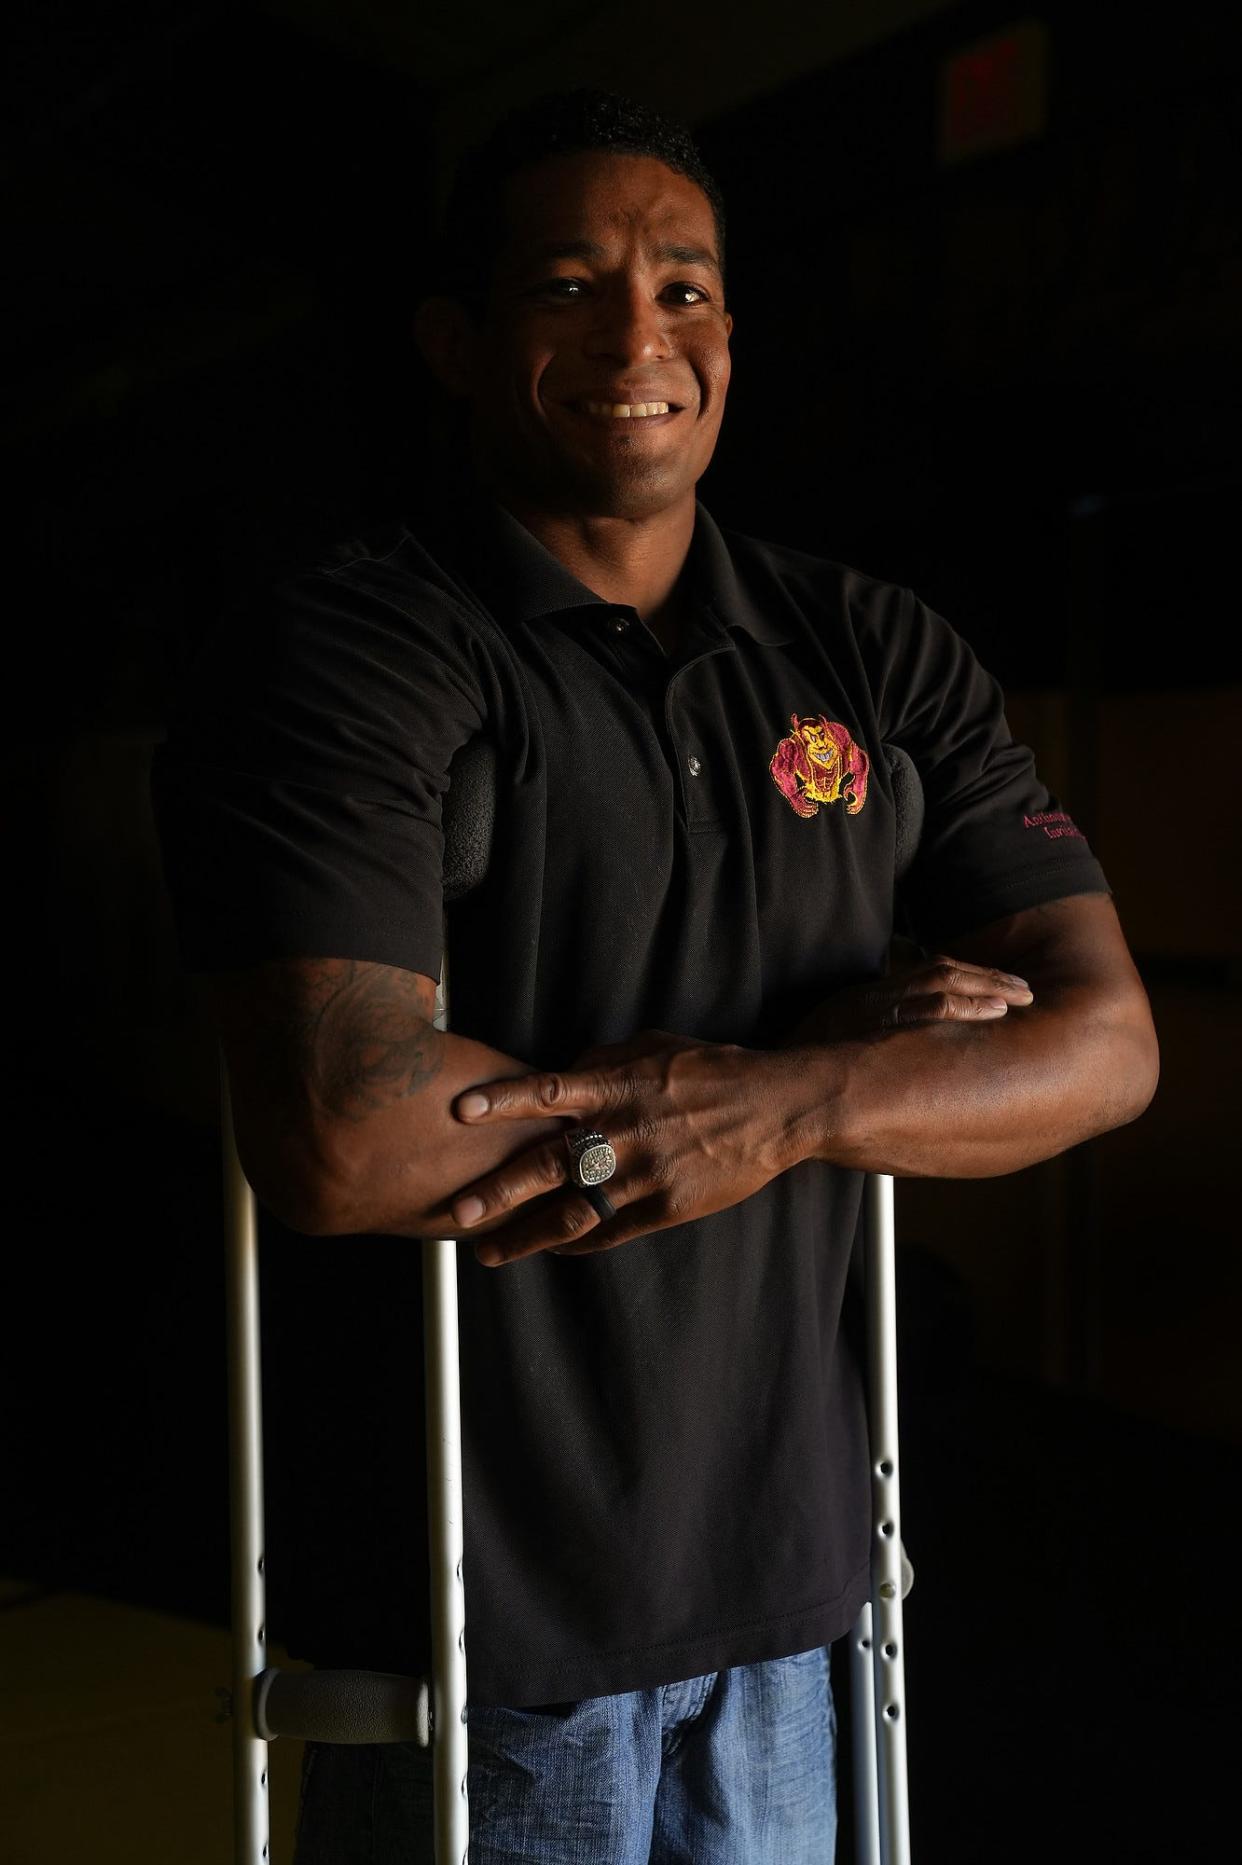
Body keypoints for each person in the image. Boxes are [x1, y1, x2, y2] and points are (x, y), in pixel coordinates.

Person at [151, 87, 1158, 1865]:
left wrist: (787, 1098)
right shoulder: (356, 647)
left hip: (795, 1594)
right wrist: (834, 1057)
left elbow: (1104, 1049)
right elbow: (340, 1132)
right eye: (568, 286)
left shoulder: (868, 647)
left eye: (684, 289)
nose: (639, 336)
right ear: (460, 346)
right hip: (484, 1631)